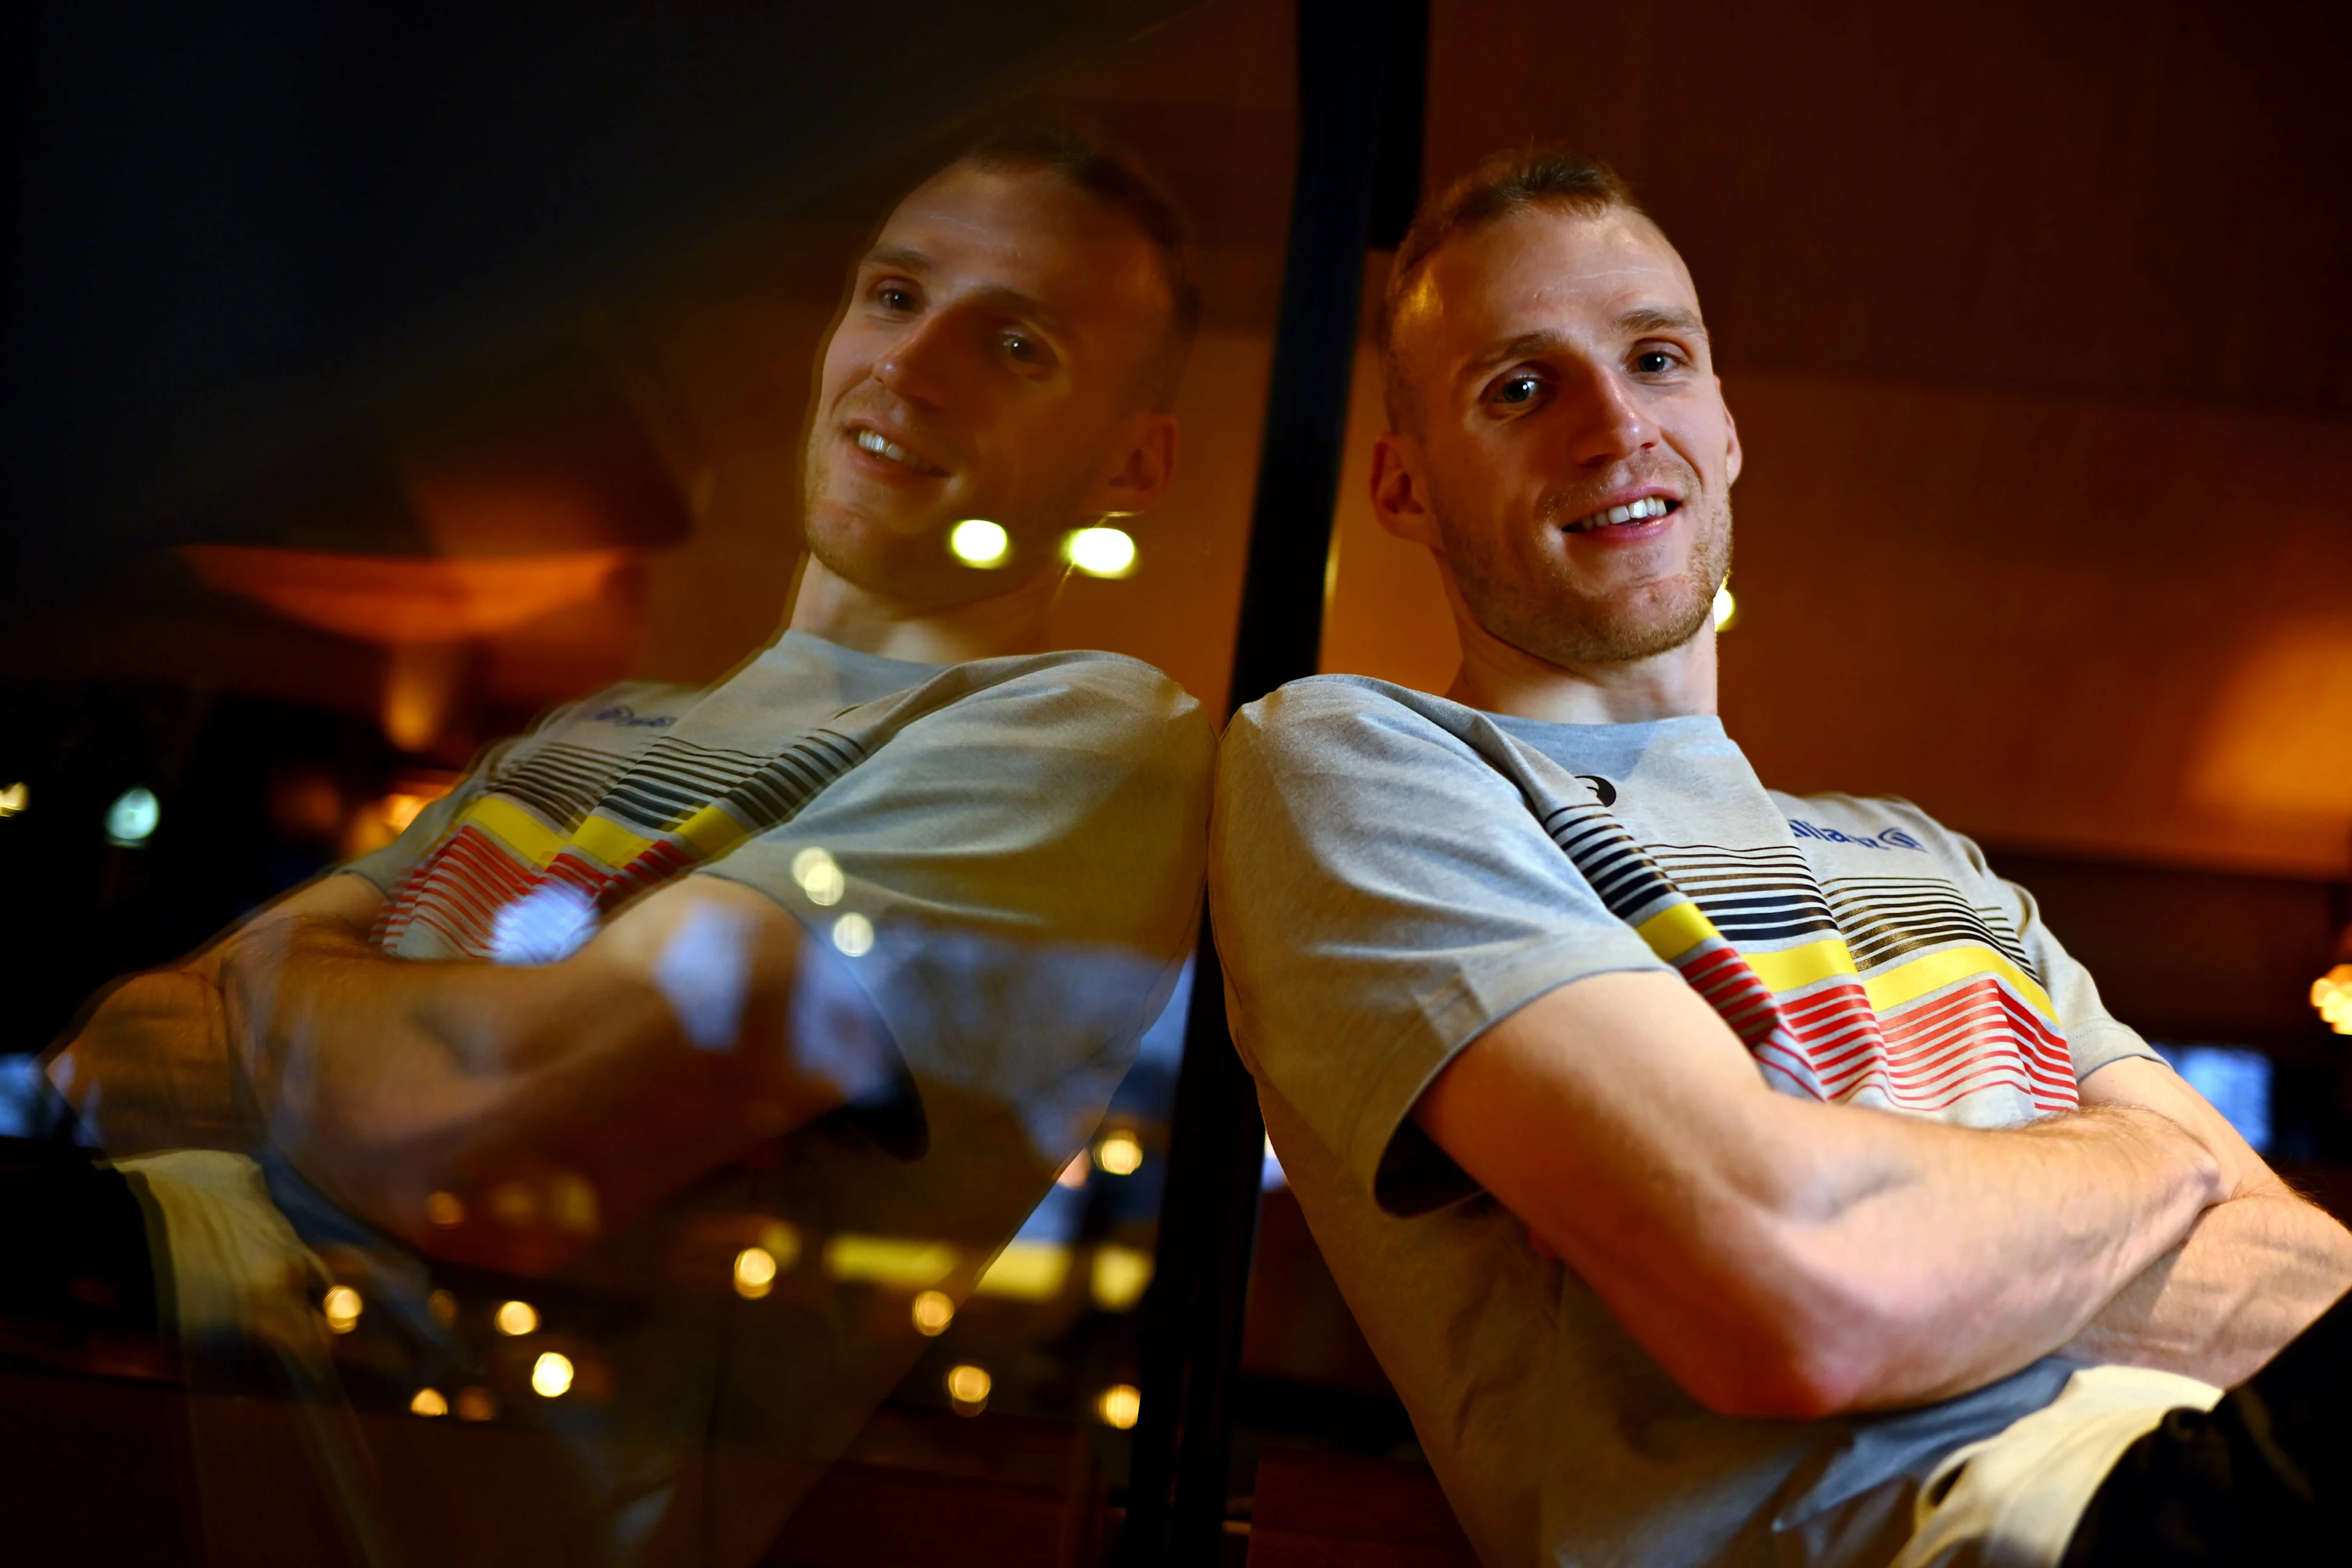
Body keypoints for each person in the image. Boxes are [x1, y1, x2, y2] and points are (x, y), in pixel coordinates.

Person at [41, 120, 1215, 1568]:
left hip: (321, 1463)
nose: (909, 367)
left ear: (1133, 465)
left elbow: (506, 1141)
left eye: (1018, 344)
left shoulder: (1080, 734)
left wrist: (281, 987)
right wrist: (359, 1064)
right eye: (896, 295)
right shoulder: (600, 724)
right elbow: (122, 1047)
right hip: (111, 1313)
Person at [1209, 146, 2352, 1568]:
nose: (1615, 423)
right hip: (2002, 1530)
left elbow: (2311, 1280)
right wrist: (2152, 1159)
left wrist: (1923, 1219)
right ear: (1401, 485)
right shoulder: (1369, 762)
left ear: (1728, 424)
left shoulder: (1933, 858)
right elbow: (1800, 1285)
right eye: (1520, 387)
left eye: (1657, 356)